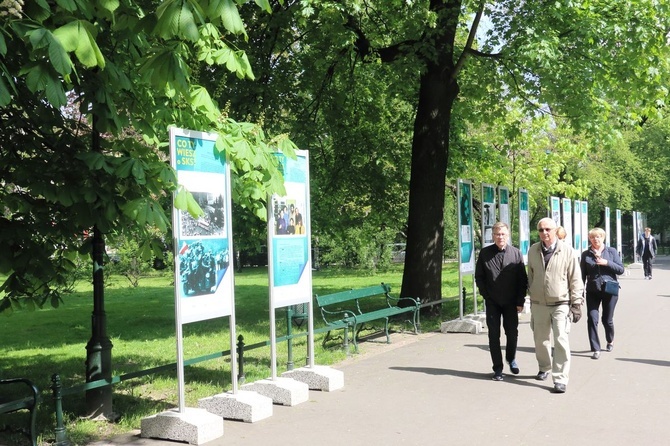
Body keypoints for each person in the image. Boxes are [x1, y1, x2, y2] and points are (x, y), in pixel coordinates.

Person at [527, 217, 584, 393]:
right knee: (540, 340)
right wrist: (530, 294)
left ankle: (560, 378)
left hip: (561, 303)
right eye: (541, 230)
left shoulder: (567, 251)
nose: (544, 233)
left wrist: (577, 303)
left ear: (555, 231)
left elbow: (575, 278)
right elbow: (530, 275)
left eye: (548, 229)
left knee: (560, 340)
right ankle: (544, 367)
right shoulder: (533, 250)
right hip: (538, 303)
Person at [475, 222, 528, 381]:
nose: (500, 237)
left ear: (508, 235)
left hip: (511, 302)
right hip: (493, 302)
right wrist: (486, 295)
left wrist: (520, 300)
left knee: (512, 333)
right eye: (497, 234)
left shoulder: (516, 253)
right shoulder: (485, 253)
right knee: (493, 335)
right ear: (493, 236)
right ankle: (497, 368)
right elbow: (480, 277)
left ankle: (511, 358)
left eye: (503, 234)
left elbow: (522, 279)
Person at [580, 228, 625, 359]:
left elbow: (620, 269)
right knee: (592, 319)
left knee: (607, 320)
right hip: (593, 291)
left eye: (598, 237)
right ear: (590, 239)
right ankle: (595, 348)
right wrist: (579, 293)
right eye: (593, 237)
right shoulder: (586, 254)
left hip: (610, 290)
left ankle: (610, 340)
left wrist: (607, 263)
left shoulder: (611, 252)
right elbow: (581, 275)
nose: (596, 239)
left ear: (603, 238)